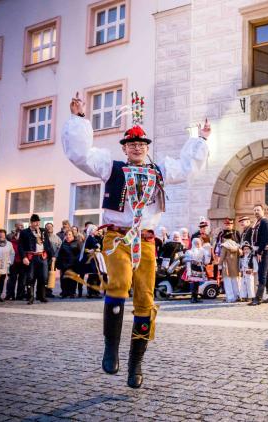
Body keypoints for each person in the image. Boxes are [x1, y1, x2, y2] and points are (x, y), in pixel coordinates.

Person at [63, 92, 209, 388]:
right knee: (118, 283)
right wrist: (79, 119)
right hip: (116, 238)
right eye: (131, 144)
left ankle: (136, 364)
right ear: (125, 148)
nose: (136, 148)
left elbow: (187, 167)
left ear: (146, 148)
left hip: (145, 241)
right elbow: (81, 155)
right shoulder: (111, 167)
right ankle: (110, 349)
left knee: (145, 299)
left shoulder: (159, 170)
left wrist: (202, 140)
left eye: (141, 144)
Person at [18, 214, 54, 305]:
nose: (37, 223)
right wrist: (24, 257)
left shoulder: (43, 231)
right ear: (31, 222)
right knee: (30, 278)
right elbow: (20, 246)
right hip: (31, 257)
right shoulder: (25, 232)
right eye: (35, 222)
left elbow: (48, 244)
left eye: (38, 222)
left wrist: (53, 255)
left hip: (42, 256)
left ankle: (42, 296)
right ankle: (30, 297)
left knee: (44, 277)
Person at [248, 204, 268, 306]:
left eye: (258, 210)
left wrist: (259, 252)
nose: (256, 212)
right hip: (261, 251)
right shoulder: (258, 222)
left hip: (265, 251)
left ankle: (258, 298)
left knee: (261, 274)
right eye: (254, 210)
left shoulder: (265, 222)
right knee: (265, 274)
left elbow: (265, 238)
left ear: (263, 211)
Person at [56, 230, 81, 298]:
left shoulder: (77, 243)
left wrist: (77, 262)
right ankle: (64, 292)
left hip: (74, 265)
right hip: (64, 265)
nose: (68, 236)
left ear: (73, 235)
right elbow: (60, 254)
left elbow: (80, 254)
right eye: (67, 235)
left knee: (72, 279)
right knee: (64, 279)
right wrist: (59, 264)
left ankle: (72, 293)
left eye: (69, 234)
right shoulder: (64, 244)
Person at [185, 238, 209, 303]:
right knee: (194, 283)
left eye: (198, 243)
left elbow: (206, 260)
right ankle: (193, 297)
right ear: (193, 243)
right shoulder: (190, 251)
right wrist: (189, 271)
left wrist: (204, 262)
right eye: (196, 243)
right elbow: (187, 261)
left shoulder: (203, 250)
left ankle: (195, 297)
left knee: (197, 283)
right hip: (193, 268)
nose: (197, 244)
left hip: (200, 268)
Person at [219, 231, 241, 303]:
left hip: (226, 266)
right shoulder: (237, 245)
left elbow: (222, 257)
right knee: (235, 282)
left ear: (224, 238)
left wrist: (219, 265)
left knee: (227, 282)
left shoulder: (224, 246)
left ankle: (230, 298)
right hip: (235, 265)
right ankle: (237, 296)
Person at [0, 229, 13, 303]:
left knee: (2, 281)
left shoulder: (9, 244)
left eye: (3, 235)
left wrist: (10, 262)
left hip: (5, 265)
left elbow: (12, 253)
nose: (2, 236)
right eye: (0, 235)